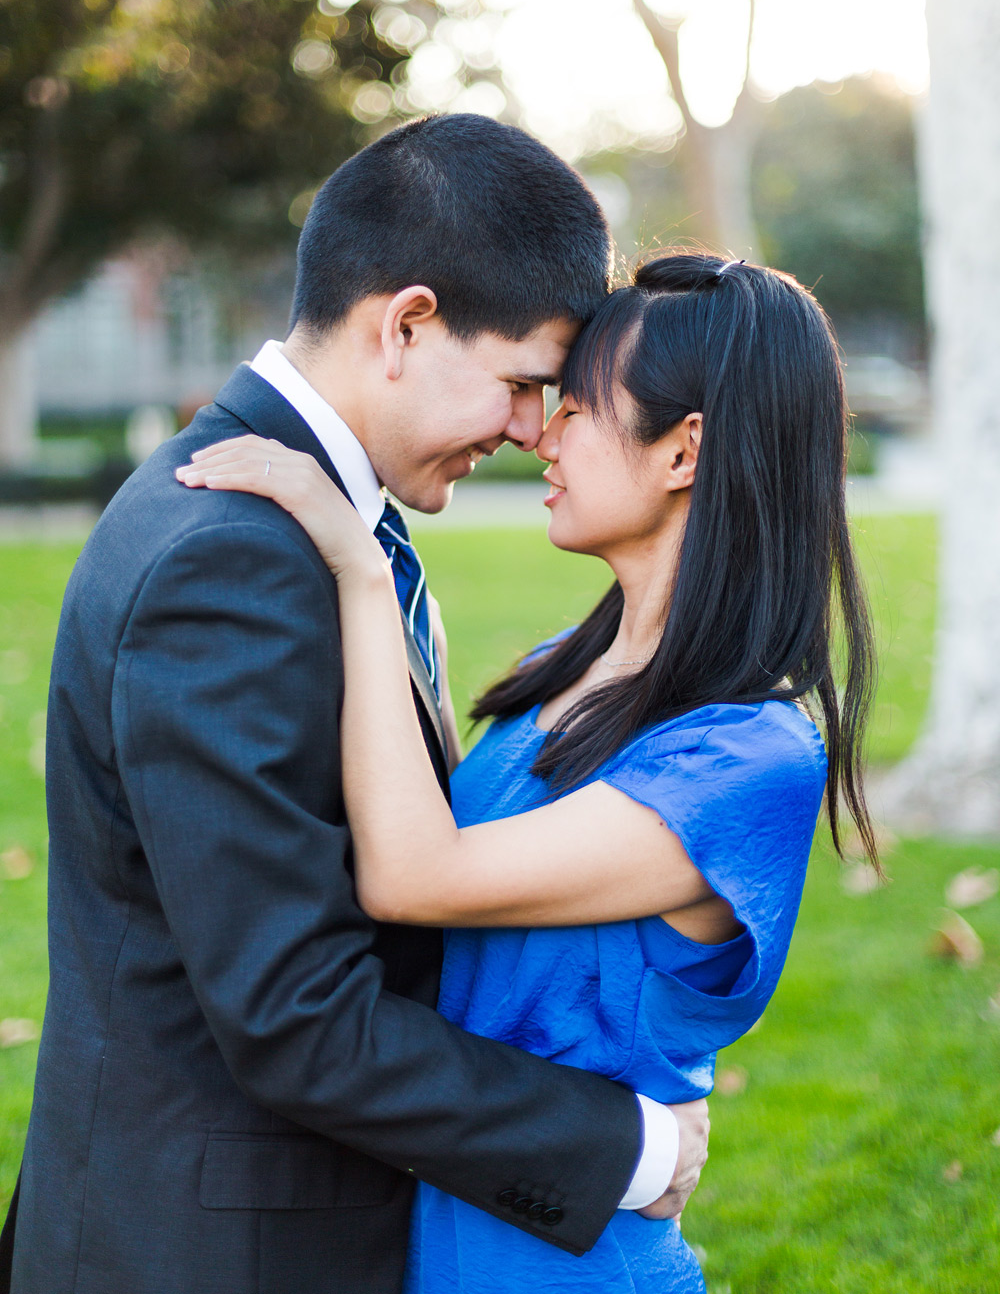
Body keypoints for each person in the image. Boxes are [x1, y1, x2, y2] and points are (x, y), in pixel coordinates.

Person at [0, 117, 707, 1294]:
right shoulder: (229, 558)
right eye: (525, 383)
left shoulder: (316, 528)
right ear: (408, 324)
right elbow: (295, 1014)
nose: (533, 429)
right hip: (219, 1248)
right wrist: (625, 1148)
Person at [179, 252, 880, 1293]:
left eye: (579, 408)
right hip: (426, 1226)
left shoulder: (745, 757)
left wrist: (361, 568)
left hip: (559, 1261)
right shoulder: (575, 662)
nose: (539, 434)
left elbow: (417, 875)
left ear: (684, 450)